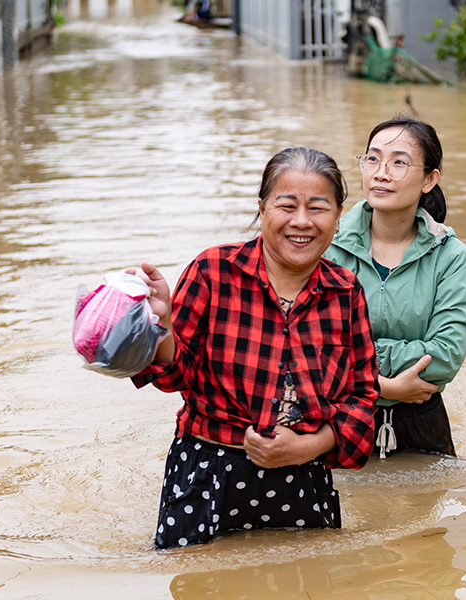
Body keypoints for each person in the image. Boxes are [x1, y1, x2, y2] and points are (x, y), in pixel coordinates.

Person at [130, 147, 379, 549]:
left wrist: (307, 447)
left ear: (338, 215)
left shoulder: (345, 291)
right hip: (206, 473)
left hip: (303, 475)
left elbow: (362, 398)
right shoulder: (213, 271)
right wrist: (162, 328)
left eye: (318, 208)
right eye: (286, 205)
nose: (301, 222)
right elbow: (176, 374)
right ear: (262, 208)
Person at [325, 117, 466, 458]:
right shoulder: (327, 246)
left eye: (399, 162)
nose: (381, 172)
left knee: (427, 509)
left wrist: (355, 360)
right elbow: (309, 350)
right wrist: (384, 385)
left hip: (421, 421)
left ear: (429, 179)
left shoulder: (451, 256)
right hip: (335, 419)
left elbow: (446, 356)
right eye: (373, 159)